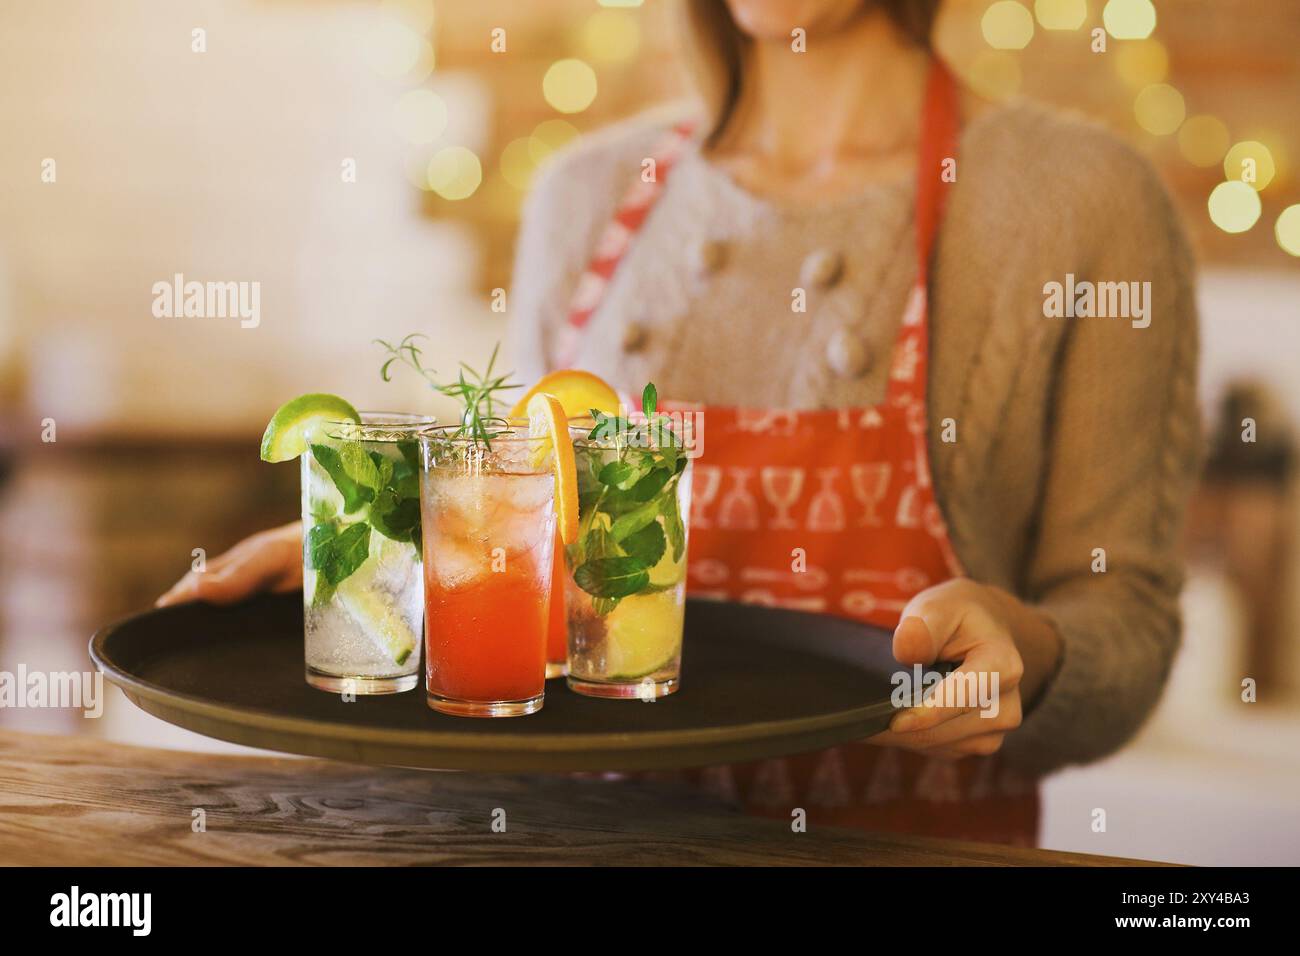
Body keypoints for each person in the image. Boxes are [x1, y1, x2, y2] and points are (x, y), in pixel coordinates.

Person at [160, 0, 1200, 844]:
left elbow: (1131, 623)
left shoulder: (1080, 201)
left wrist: (1029, 644)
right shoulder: (582, 193)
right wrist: (376, 557)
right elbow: (530, 548)